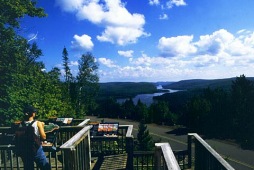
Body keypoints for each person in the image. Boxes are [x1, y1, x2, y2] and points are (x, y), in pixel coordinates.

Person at [21, 105, 51, 170]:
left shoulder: (21, 124)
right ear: (32, 113)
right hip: (36, 149)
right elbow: (43, 136)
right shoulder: (37, 123)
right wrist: (42, 127)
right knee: (45, 167)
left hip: (25, 150)